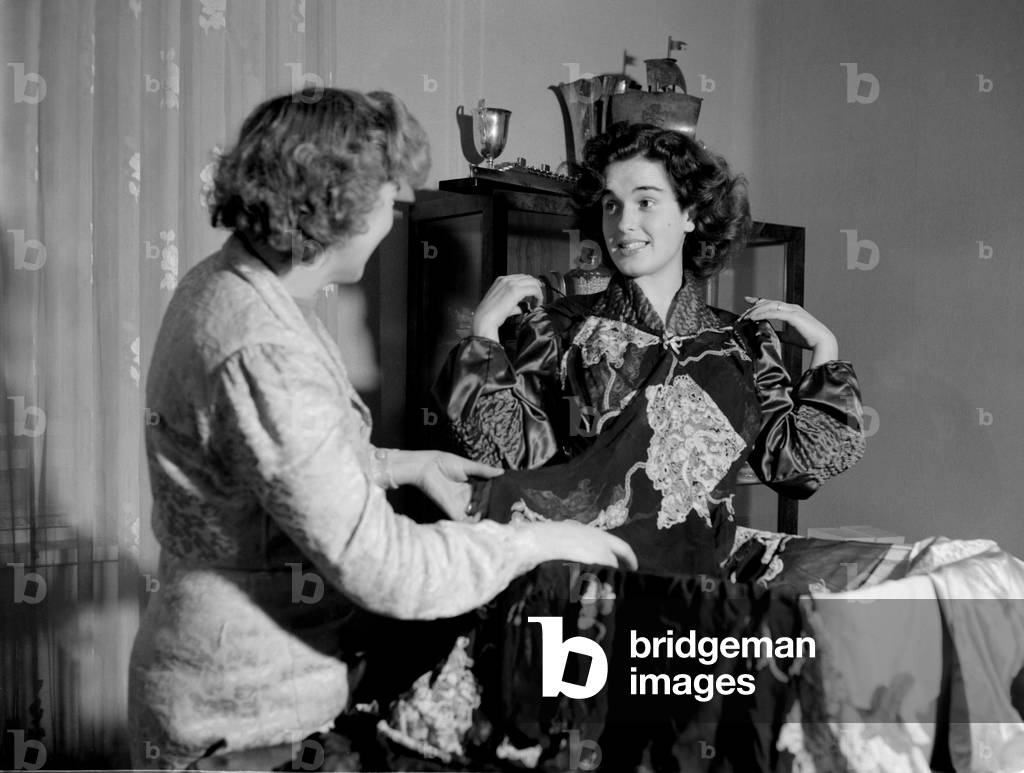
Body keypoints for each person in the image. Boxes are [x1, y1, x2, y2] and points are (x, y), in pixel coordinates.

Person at [127, 88, 637, 771]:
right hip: (243, 720)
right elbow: (385, 567)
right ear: (334, 203)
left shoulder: (233, 284)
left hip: (231, 687)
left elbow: (271, 465)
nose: (394, 220)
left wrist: (404, 465)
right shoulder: (261, 345)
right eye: (389, 202)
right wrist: (534, 542)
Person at [435, 122, 867, 575]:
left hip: (699, 586)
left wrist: (825, 348)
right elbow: (510, 459)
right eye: (610, 205)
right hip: (585, 579)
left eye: (645, 201)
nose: (623, 223)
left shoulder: (744, 342)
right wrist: (483, 334)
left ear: (690, 214)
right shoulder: (561, 329)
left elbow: (797, 466)